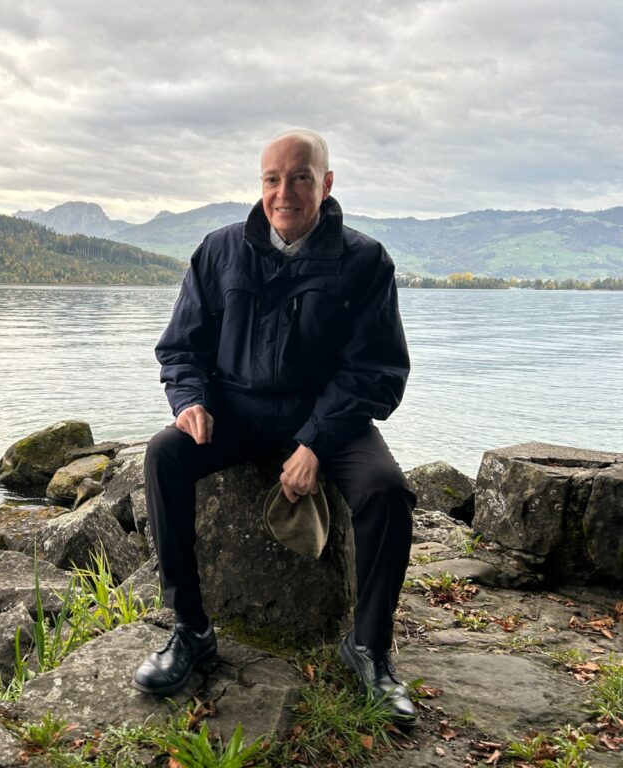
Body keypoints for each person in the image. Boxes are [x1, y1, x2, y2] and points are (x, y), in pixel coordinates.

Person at [131, 129, 418, 725]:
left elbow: (377, 371)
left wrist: (316, 440)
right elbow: (181, 348)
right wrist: (190, 401)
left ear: (326, 183)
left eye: (300, 178)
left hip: (329, 418)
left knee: (387, 491)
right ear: (260, 183)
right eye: (271, 179)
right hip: (237, 411)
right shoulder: (219, 251)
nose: (283, 192)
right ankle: (191, 631)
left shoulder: (365, 261)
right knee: (164, 455)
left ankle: (369, 647)